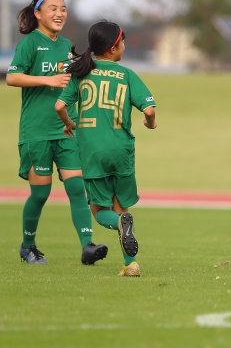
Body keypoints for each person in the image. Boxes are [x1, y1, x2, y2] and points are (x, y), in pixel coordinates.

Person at [6, 0, 107, 266]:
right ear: (37, 14)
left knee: (78, 189)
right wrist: (47, 80)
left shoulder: (66, 45)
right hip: (36, 131)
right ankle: (28, 247)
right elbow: (12, 78)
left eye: (62, 8)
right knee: (40, 193)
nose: (59, 13)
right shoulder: (30, 45)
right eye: (53, 8)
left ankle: (88, 246)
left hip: (66, 130)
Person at [55, 20, 157, 277]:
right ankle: (131, 264)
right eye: (122, 41)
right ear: (113, 48)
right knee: (122, 207)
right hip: (121, 149)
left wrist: (70, 124)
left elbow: (59, 107)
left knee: (101, 211)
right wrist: (149, 123)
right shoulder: (127, 75)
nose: (123, 45)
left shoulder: (82, 73)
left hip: (92, 151)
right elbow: (149, 110)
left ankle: (121, 228)